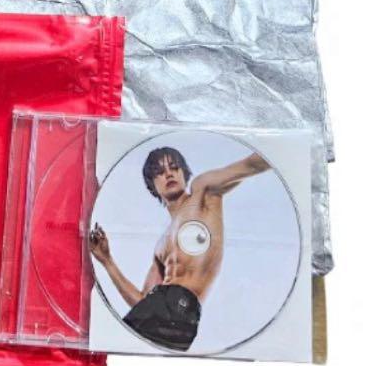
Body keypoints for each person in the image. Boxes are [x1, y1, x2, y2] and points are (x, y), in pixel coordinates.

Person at [88, 145, 268, 351]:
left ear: (184, 173)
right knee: (110, 347)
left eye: (174, 167)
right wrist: (107, 261)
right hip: (160, 313)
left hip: (184, 315)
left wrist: (284, 151)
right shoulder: (161, 245)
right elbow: (141, 303)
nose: (169, 174)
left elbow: (251, 165)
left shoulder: (203, 192)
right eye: (159, 172)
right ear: (152, 186)